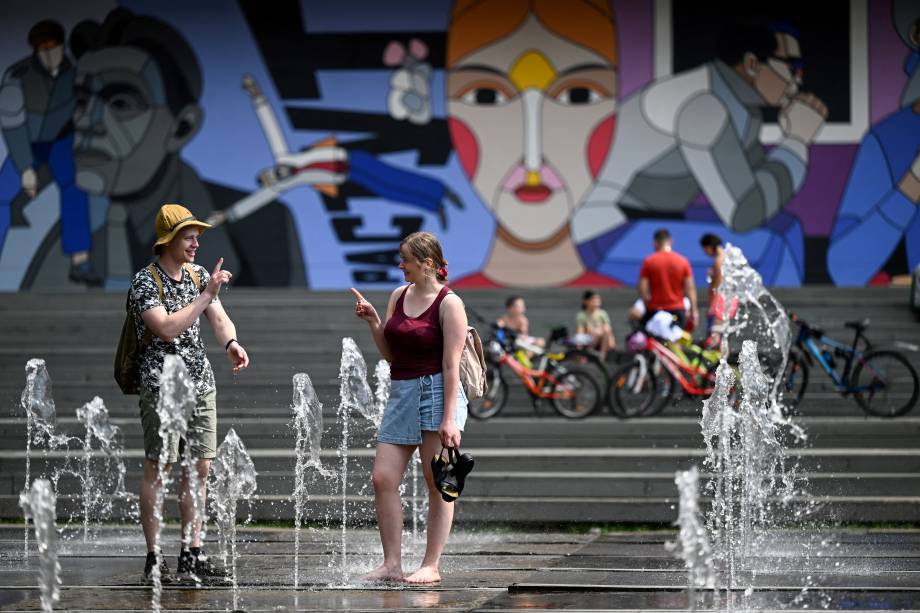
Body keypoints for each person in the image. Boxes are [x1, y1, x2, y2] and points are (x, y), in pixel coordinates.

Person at [130, 203, 250, 583]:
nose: (196, 242)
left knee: (199, 470)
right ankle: (154, 557)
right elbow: (166, 328)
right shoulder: (145, 282)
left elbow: (217, 317)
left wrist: (231, 341)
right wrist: (206, 294)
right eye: (189, 236)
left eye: (198, 236)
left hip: (200, 383)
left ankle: (191, 553)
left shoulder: (199, 275)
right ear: (169, 240)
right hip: (161, 386)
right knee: (159, 467)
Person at [350, 231, 468, 585]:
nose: (400, 265)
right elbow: (391, 355)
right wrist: (374, 321)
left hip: (436, 392)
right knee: (383, 478)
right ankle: (392, 564)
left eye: (405, 260)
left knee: (438, 483)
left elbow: (452, 366)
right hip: (401, 392)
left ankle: (431, 564)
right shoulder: (398, 296)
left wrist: (450, 418)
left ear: (427, 263)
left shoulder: (450, 304)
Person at [0, 19, 97, 284]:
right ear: (35, 51)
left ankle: (80, 261)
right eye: (42, 49)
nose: (48, 54)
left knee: (76, 187)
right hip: (26, 143)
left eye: (53, 47)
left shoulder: (77, 74)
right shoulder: (16, 77)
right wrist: (25, 169)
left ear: (61, 46)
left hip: (61, 142)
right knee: (2, 194)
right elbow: (13, 126)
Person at [638, 229, 698, 331]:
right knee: (676, 342)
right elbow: (690, 289)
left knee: (654, 342)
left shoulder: (649, 261)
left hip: (655, 310)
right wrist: (694, 311)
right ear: (671, 241)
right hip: (677, 310)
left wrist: (646, 305)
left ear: (655, 243)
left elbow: (643, 289)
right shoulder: (683, 261)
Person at [575, 290, 616, 360]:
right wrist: (579, 348)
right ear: (586, 301)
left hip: (603, 340)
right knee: (594, 330)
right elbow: (580, 332)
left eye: (598, 299)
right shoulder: (582, 315)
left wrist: (612, 344)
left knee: (605, 329)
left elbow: (608, 330)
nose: (596, 300)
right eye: (593, 299)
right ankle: (589, 351)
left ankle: (602, 353)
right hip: (589, 339)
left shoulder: (603, 314)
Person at [700, 233, 725, 334]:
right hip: (724, 304)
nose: (705, 252)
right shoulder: (725, 258)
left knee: (715, 336)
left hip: (719, 305)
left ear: (709, 247)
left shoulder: (719, 261)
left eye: (705, 249)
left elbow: (718, 286)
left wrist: (712, 307)